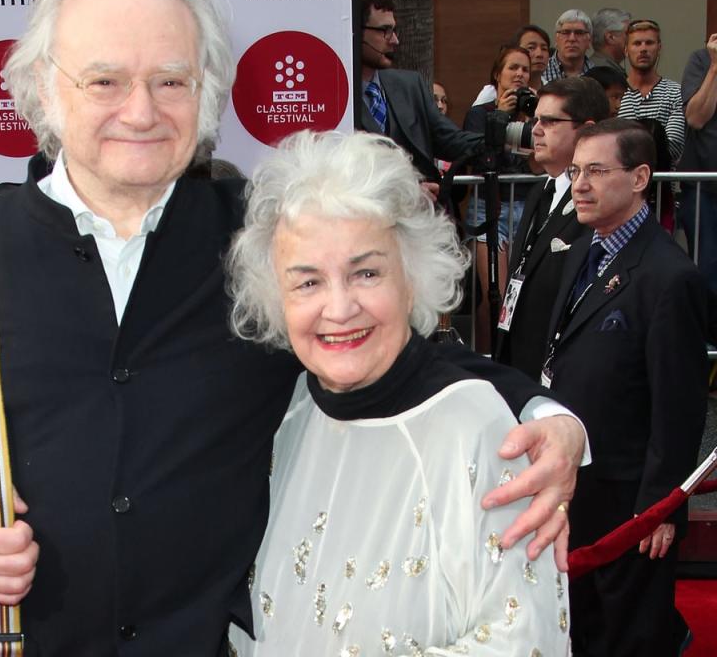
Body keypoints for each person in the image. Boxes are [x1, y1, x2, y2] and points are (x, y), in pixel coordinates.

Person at [0, 0, 586, 656]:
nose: (141, 112)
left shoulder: (262, 231)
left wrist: (548, 416)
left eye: (171, 81)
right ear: (46, 89)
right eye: (105, 80)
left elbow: (402, 348)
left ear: (205, 91)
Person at [226, 130, 569, 655]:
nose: (339, 309)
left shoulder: (478, 427)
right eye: (308, 282)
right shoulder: (289, 408)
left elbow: (525, 640)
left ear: (413, 276)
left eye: (366, 272)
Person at [542, 119, 708, 656]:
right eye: (574, 172)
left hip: (629, 499)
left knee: (628, 636)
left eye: (595, 171)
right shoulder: (581, 252)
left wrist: (660, 508)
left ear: (640, 177)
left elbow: (678, 407)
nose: (580, 185)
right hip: (577, 485)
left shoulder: (668, 276)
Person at [495, 77, 610, 379]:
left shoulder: (594, 204)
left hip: (560, 371)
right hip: (518, 358)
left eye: (549, 121)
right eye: (535, 120)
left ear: (585, 130)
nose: (535, 130)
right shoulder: (542, 191)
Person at [358, 0, 481, 182]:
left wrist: (504, 137)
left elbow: (448, 140)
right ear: (356, 32)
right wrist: (411, 190)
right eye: (385, 31)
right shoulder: (334, 96)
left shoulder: (410, 85)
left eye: (394, 30)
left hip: (419, 209)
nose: (394, 40)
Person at [464, 45, 539, 353]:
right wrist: (502, 117)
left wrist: (535, 116)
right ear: (497, 75)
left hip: (527, 204)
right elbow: (477, 158)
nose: (520, 73)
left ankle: (514, 357)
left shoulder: (536, 114)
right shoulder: (479, 114)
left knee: (523, 292)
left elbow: (538, 164)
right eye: (513, 68)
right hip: (489, 206)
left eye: (525, 69)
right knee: (494, 291)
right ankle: (487, 358)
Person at [677, 32, 717, 293]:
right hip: (705, 189)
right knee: (707, 270)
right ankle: (705, 333)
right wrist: (715, 67)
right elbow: (696, 118)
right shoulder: (701, 61)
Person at [617, 19, 685, 166]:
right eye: (637, 43)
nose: (643, 49)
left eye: (649, 43)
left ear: (659, 48)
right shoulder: (616, 93)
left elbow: (673, 148)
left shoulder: (675, 92)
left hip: (663, 185)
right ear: (626, 50)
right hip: (620, 183)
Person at [473, 24, 551, 105]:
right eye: (531, 48)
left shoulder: (552, 92)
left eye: (544, 49)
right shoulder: (491, 93)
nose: (539, 54)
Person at [542, 9, 595, 84]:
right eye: (565, 32)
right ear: (556, 39)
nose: (572, 39)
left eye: (579, 33)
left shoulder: (598, 75)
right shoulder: (541, 71)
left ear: (589, 40)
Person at [589, 7, 631, 75]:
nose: (632, 38)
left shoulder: (593, 66)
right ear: (610, 38)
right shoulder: (604, 73)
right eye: (627, 33)